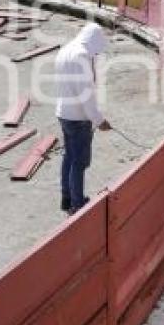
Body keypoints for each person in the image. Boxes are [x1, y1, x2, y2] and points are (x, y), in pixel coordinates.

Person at [55, 23, 112, 214]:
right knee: (79, 162)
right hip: (79, 118)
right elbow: (86, 96)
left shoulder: (66, 49)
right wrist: (98, 120)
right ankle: (78, 204)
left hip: (63, 113)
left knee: (69, 157)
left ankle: (66, 197)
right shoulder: (81, 56)